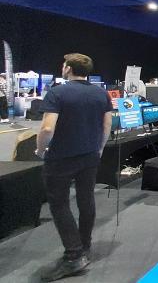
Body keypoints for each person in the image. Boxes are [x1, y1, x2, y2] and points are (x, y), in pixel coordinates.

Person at [35, 54, 113, 281]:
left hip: (61, 158)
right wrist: (99, 148)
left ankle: (73, 256)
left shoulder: (57, 92)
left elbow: (47, 129)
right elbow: (107, 124)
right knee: (86, 199)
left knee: (59, 204)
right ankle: (84, 246)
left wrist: (40, 150)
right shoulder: (101, 93)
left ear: (68, 68)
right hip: (90, 156)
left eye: (63, 65)